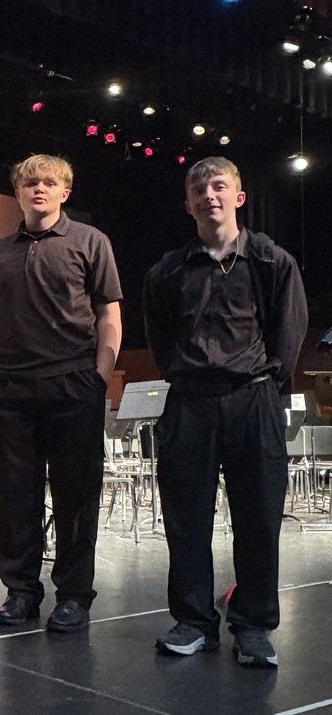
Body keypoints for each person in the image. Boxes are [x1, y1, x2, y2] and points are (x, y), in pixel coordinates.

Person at [143, 156, 307, 666]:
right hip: (189, 402)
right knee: (186, 520)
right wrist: (189, 374)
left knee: (258, 518)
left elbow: (289, 330)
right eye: (199, 189)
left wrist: (263, 377)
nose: (208, 195)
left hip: (252, 399)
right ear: (188, 204)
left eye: (219, 186)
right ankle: (193, 622)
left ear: (238, 197)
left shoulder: (271, 261)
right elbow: (160, 339)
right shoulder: (168, 270)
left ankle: (254, 626)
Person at [0, 154, 122, 633]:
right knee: (17, 497)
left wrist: (98, 376)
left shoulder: (90, 242)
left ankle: (74, 596)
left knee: (76, 498)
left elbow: (108, 315)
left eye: (49, 182)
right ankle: (21, 592)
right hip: (12, 391)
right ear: (16, 192)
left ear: (65, 192)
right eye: (29, 183)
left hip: (73, 386)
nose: (39, 189)